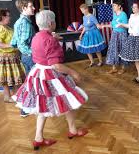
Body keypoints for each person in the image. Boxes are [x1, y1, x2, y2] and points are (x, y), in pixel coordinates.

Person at [12, 10, 88, 150]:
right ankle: (73, 130)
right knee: (68, 100)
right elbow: (56, 66)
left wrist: (53, 37)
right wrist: (74, 73)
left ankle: (38, 138)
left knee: (42, 103)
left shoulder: (36, 36)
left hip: (37, 73)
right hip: (50, 74)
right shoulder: (50, 40)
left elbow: (45, 41)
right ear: (52, 23)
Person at [0, 9, 26, 103]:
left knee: (13, 78)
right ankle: (10, 97)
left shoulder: (5, 27)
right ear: (2, 17)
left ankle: (13, 96)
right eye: (8, 16)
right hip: (5, 57)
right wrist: (10, 45)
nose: (10, 17)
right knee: (8, 78)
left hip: (10, 57)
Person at [10, 0, 36, 117]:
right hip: (29, 57)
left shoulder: (18, 22)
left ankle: (29, 106)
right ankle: (25, 108)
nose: (34, 8)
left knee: (31, 82)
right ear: (23, 8)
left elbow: (14, 42)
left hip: (26, 57)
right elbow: (21, 44)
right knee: (33, 83)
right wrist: (33, 53)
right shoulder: (25, 23)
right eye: (31, 6)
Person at [103, 0, 129, 74]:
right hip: (114, 34)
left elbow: (126, 26)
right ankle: (114, 68)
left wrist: (120, 25)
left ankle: (123, 68)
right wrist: (104, 25)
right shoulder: (114, 14)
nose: (113, 7)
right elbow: (112, 24)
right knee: (113, 50)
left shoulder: (123, 14)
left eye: (114, 5)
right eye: (113, 5)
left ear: (119, 6)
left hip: (122, 34)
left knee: (122, 49)